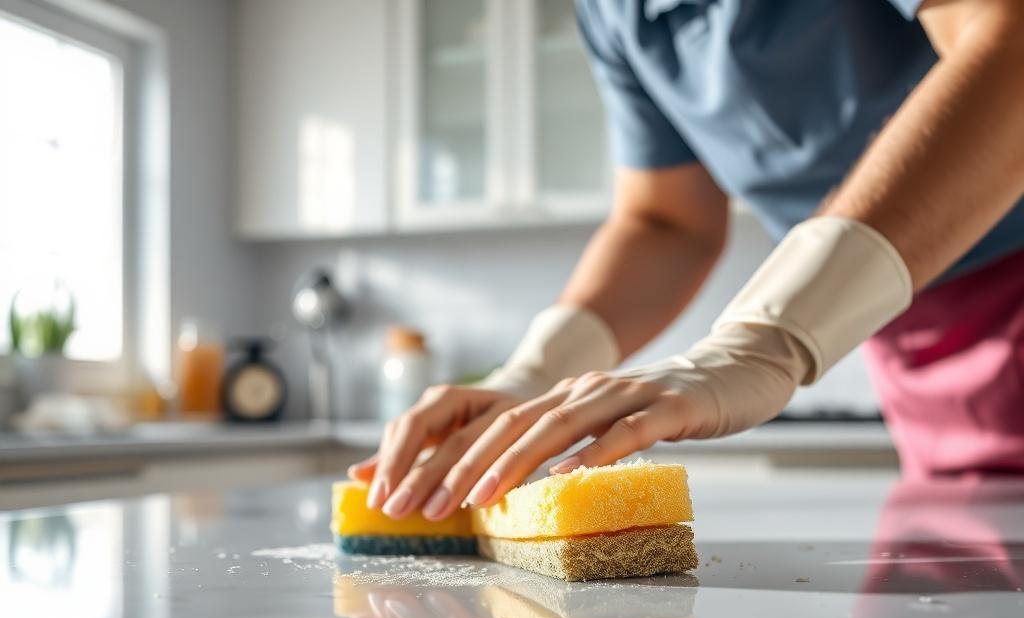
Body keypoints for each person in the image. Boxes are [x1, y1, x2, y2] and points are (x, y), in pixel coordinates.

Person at [351, 0, 1024, 520]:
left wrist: (768, 338)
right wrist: (534, 373)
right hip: (899, 327)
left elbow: (1010, 45)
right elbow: (665, 220)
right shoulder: (611, 12)